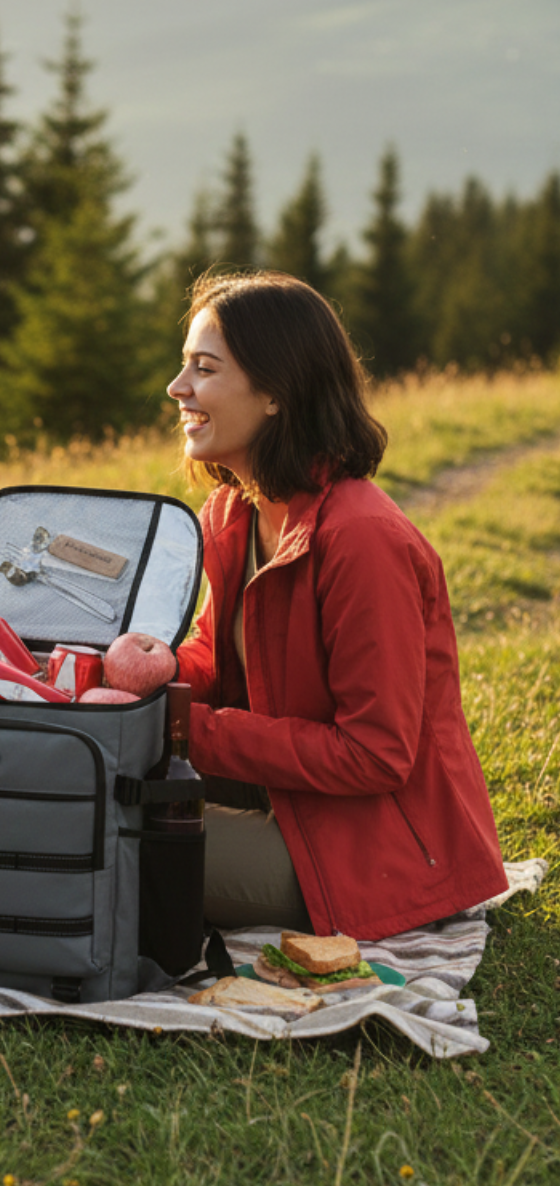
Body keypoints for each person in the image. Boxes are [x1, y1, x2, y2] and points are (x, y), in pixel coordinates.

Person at [166, 269, 507, 941]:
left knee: (124, 844)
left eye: (203, 370)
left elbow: (377, 753)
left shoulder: (361, 540)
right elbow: (217, 655)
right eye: (184, 368)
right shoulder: (237, 510)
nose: (177, 390)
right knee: (96, 797)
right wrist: (146, 686)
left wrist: (186, 731)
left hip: (384, 849)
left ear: (273, 393)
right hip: (292, 801)